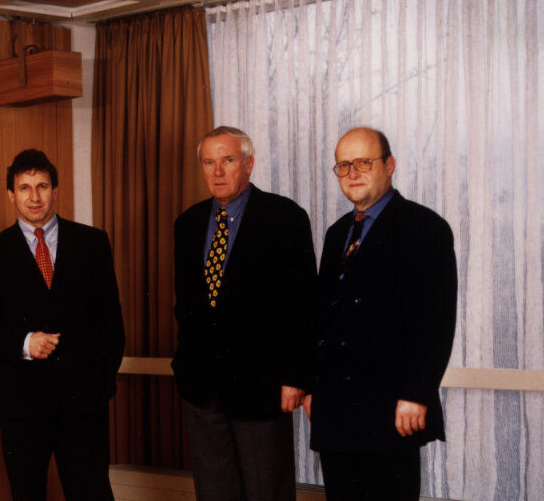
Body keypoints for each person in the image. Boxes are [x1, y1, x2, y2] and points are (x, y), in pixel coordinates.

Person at [304, 127, 457, 500]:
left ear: (389, 166)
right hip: (336, 411)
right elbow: (322, 316)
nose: (353, 172)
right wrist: (311, 387)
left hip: (391, 410)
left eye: (364, 162)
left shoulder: (425, 228)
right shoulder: (337, 232)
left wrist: (416, 393)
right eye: (343, 165)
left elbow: (435, 321)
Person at [0, 149, 125, 501]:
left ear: (55, 189)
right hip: (21, 405)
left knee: (93, 494)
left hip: (84, 403)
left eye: (42, 186)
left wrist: (98, 385)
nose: (34, 197)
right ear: (11, 194)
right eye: (24, 188)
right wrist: (24, 343)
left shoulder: (92, 243)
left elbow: (112, 326)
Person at [172, 126, 317, 501]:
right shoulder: (187, 225)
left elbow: (303, 306)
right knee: (215, 493)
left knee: (266, 492)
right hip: (202, 391)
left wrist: (296, 376)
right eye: (209, 162)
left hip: (263, 389)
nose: (217, 171)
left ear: (249, 164)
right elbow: (187, 307)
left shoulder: (285, 217)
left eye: (228, 160)